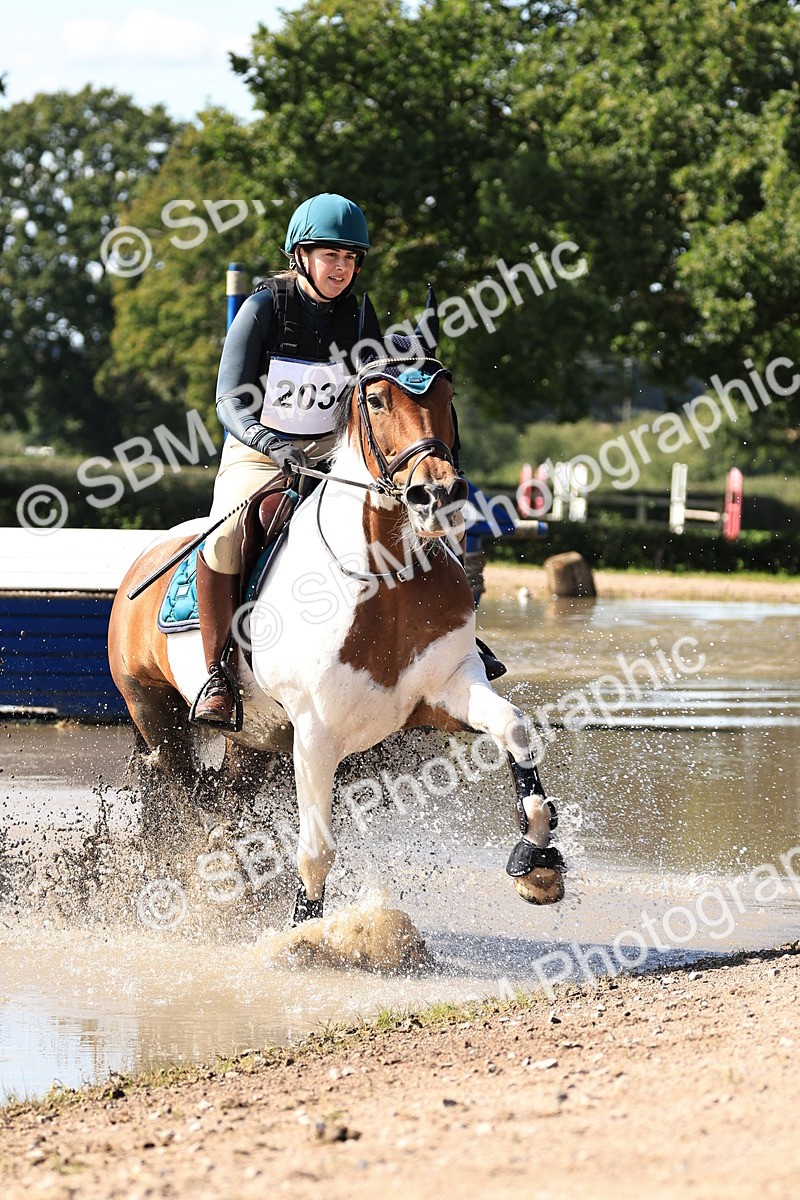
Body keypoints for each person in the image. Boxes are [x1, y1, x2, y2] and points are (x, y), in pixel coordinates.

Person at [192, 193, 372, 726]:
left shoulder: (360, 313)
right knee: (224, 534)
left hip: (330, 452)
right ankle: (216, 672)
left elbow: (373, 391)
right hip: (259, 450)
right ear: (301, 256)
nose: (341, 268)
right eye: (330, 256)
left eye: (350, 258)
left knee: (399, 516)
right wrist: (269, 444)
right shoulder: (263, 307)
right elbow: (228, 398)